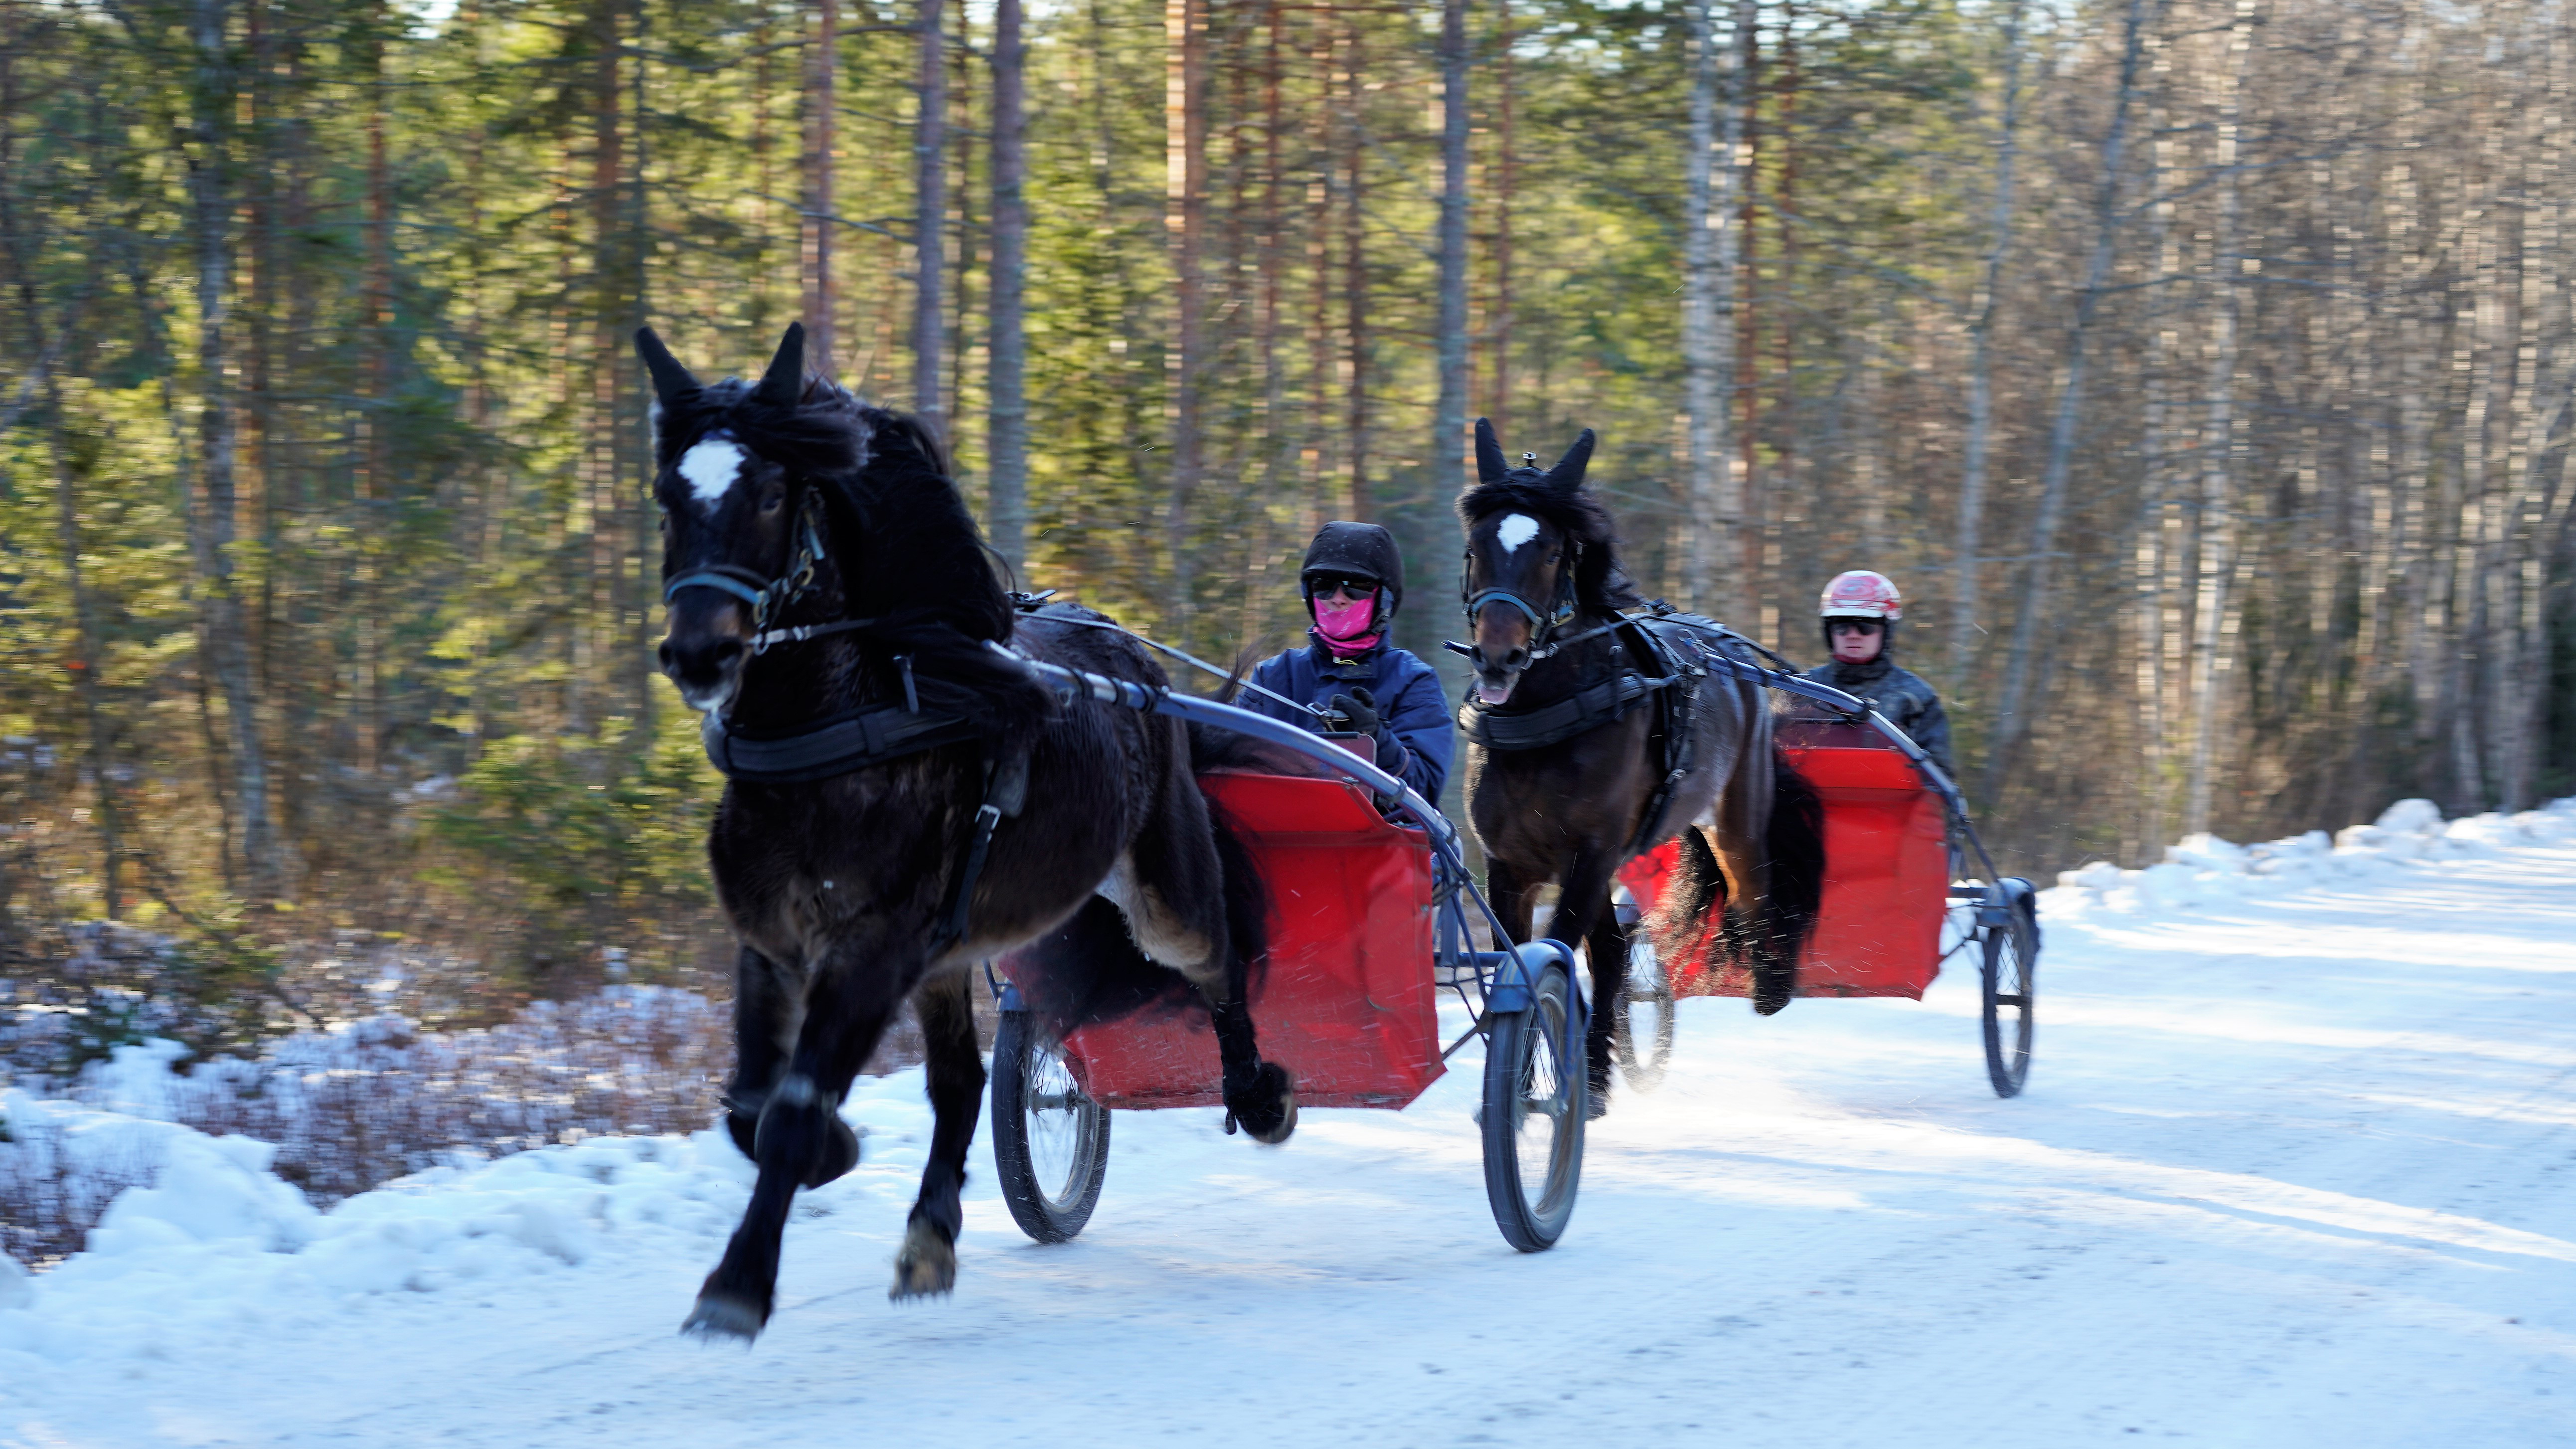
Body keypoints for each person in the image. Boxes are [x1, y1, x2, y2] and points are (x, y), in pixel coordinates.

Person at [1242, 522, 1453, 803]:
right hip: (1278, 835)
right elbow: (1230, 764)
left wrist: (1376, 738)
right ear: (1309, 593)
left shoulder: (1413, 681)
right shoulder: (1274, 675)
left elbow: (1424, 787)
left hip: (1373, 841)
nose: (1338, 598)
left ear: (1384, 598)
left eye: (1357, 587)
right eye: (1324, 585)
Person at [1806, 569, 1954, 780]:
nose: (1853, 635)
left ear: (1887, 630)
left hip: (1894, 811)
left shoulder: (1917, 699)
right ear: (1828, 630)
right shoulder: (1801, 691)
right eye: (1841, 625)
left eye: (1865, 626)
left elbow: (1938, 783)